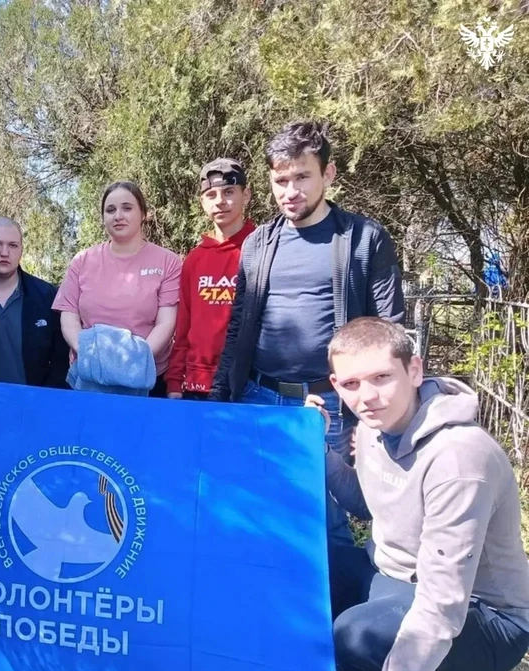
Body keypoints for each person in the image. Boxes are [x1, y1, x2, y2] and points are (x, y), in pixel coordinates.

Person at [306, 318, 529, 671]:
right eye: (352, 384)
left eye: (381, 377)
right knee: (309, 566)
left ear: (414, 370)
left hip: (486, 615)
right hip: (396, 579)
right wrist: (320, 450)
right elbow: (366, 503)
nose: (367, 397)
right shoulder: (374, 428)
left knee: (358, 636)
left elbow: (443, 602)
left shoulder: (460, 458)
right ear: (335, 385)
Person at [209, 121, 405, 545]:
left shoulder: (364, 239)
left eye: (302, 177)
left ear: (327, 174)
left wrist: (375, 415)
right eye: (281, 181)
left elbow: (391, 331)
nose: (291, 191)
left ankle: (339, 592)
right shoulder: (258, 244)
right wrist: (220, 399)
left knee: (327, 523)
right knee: (255, 514)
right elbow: (238, 327)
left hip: (332, 404)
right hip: (259, 398)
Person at [52, 181, 182, 397]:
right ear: (103, 217)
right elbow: (69, 317)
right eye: (110, 210)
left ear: (143, 214)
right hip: (88, 376)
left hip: (146, 377)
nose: (118, 216)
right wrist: (91, 356)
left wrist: (132, 362)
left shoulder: (168, 261)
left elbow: (166, 323)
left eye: (127, 208)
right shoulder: (82, 261)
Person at [166, 158, 256, 400]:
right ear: (202, 202)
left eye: (229, 192)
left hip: (246, 385)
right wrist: (174, 381)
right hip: (197, 385)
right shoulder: (194, 260)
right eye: (211, 195)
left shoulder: (261, 250)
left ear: (246, 195)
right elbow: (183, 326)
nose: (220, 201)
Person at [0, 216, 69, 388]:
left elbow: (61, 359)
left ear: (22, 249)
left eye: (13, 245)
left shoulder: (47, 296)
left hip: (32, 401)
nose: (4, 252)